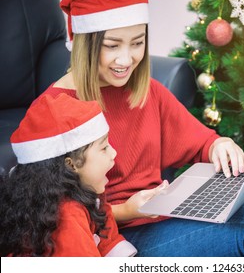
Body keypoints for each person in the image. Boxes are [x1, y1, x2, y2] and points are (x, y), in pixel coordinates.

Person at [38, 0, 244, 257]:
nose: (126, 59)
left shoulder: (147, 91)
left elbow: (199, 141)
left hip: (161, 215)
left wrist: (218, 145)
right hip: (118, 238)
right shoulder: (54, 112)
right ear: (85, 44)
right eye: (112, 45)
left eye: (138, 43)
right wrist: (128, 210)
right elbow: (53, 215)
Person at [0, 93, 149, 256]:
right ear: (71, 165)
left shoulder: (88, 189)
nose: (113, 153)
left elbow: (108, 237)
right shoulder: (66, 218)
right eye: (103, 148)